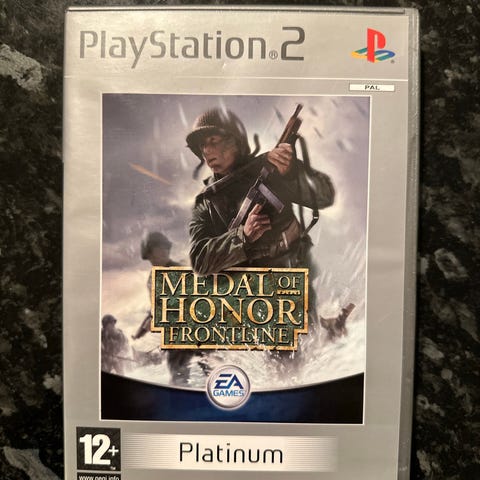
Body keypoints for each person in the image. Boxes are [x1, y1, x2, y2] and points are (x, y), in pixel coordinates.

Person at [187, 108, 335, 276]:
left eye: (213, 140)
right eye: (202, 145)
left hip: (294, 269)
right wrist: (243, 236)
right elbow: (199, 262)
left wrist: (291, 173)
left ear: (235, 140)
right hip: (247, 283)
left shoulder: (271, 165)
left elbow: (325, 196)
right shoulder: (206, 200)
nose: (206, 150)